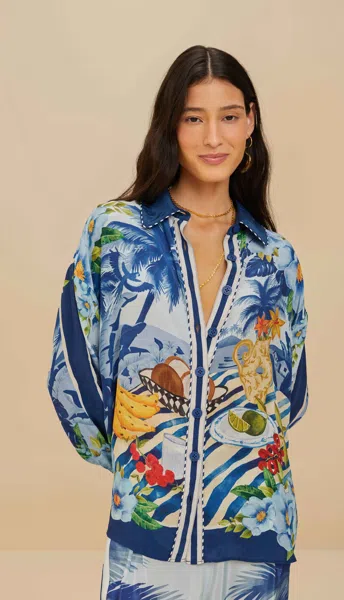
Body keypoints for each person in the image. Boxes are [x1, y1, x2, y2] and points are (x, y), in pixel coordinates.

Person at [47, 44, 309, 600]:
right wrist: (137, 457)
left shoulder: (276, 258)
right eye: (194, 118)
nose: (214, 137)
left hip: (257, 535)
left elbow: (289, 395)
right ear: (170, 125)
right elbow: (72, 368)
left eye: (229, 117)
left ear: (250, 123)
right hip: (146, 538)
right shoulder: (116, 233)